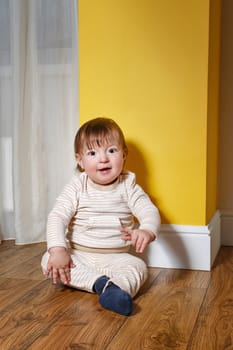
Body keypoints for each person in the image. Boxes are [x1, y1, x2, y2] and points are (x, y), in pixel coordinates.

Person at [41, 117, 160, 316]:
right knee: (48, 260)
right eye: (92, 153)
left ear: (124, 154)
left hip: (116, 258)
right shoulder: (78, 186)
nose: (103, 158)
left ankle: (115, 290)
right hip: (80, 255)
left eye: (111, 151)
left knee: (138, 267)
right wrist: (58, 249)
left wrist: (147, 229)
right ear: (80, 160)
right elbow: (57, 216)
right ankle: (100, 284)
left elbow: (149, 210)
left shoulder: (128, 186)